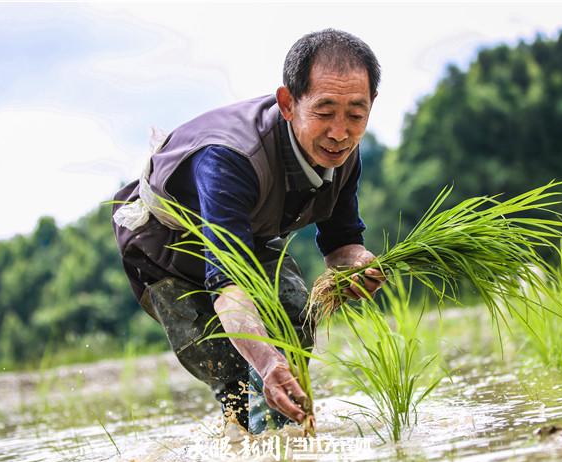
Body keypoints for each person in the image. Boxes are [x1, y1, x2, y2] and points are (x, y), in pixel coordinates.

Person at [111, 28, 385, 433]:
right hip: (167, 248)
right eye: (325, 112)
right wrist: (267, 362)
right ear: (288, 103)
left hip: (244, 235)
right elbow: (231, 292)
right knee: (238, 374)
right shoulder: (229, 158)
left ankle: (285, 443)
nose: (340, 132)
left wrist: (361, 264)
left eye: (356, 115)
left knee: (293, 313)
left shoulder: (343, 152)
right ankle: (250, 437)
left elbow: (341, 243)